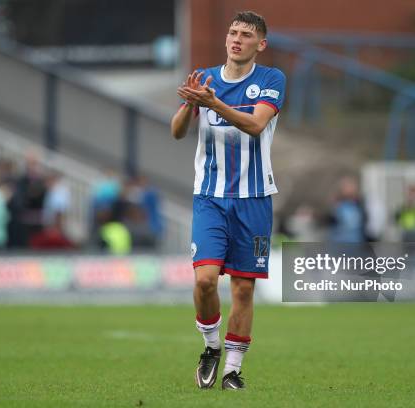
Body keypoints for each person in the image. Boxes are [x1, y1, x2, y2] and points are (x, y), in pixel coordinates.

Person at [170, 11, 286, 390]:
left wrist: (212, 103)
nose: (237, 39)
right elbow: (176, 132)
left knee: (243, 288)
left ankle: (234, 371)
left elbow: (255, 125)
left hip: (254, 199)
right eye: (233, 32)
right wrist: (191, 104)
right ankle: (210, 348)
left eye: (246, 35)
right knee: (205, 281)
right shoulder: (205, 79)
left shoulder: (271, 79)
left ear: (260, 44)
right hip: (210, 198)